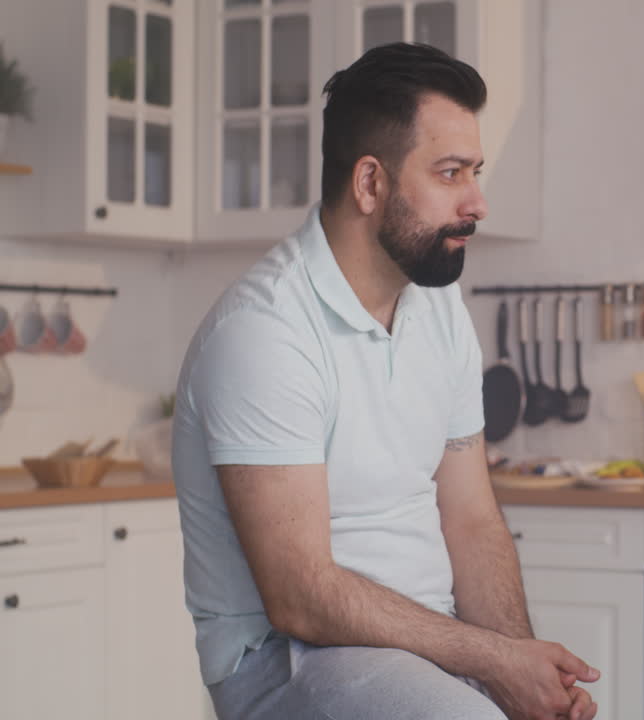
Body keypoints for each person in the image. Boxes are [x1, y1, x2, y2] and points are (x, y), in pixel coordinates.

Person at [172, 43, 598, 720]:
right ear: (369, 183)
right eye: (451, 173)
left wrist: (525, 677)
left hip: (431, 642)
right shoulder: (265, 333)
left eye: (475, 172)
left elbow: (472, 519)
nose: (478, 202)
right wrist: (490, 661)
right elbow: (300, 595)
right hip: (291, 663)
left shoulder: (437, 309)